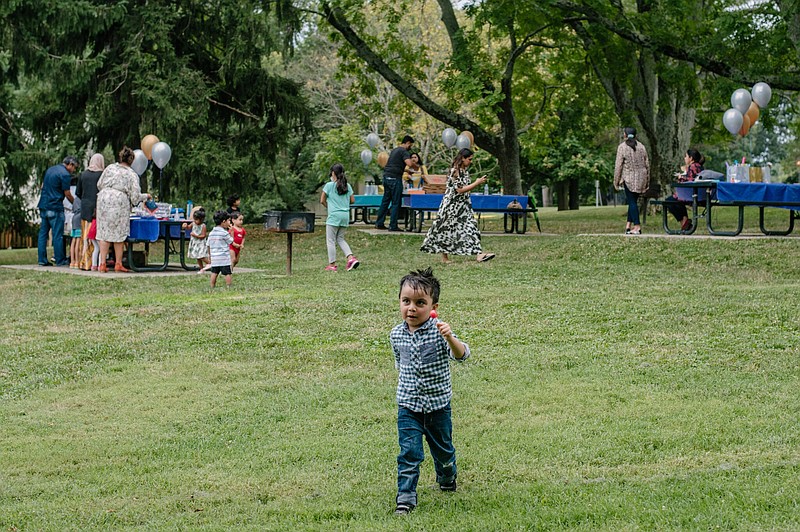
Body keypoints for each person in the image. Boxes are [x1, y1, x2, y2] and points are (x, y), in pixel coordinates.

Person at [391, 267, 469, 516]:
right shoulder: (395, 334)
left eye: (420, 303)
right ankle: (405, 498)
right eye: (406, 301)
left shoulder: (440, 331)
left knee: (443, 450)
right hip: (408, 407)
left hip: (437, 406)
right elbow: (399, 364)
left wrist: (450, 338)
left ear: (434, 306)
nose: (411, 308)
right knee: (409, 453)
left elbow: (462, 355)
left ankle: (447, 475)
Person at [420, 148, 496, 264]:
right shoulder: (455, 171)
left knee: (471, 228)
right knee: (444, 230)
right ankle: (444, 258)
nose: (471, 161)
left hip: (463, 206)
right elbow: (459, 190)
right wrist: (477, 183)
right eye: (469, 159)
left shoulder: (464, 171)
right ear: (463, 158)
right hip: (451, 206)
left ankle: (479, 255)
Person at [96, 146, 151, 273]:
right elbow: (135, 197)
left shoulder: (110, 168)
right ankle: (118, 263)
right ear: (132, 160)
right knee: (118, 234)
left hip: (104, 199)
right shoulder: (131, 174)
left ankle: (102, 264)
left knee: (104, 232)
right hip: (119, 201)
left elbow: (99, 184)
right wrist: (146, 196)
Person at [37, 156, 78, 266]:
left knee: (43, 234)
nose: (74, 170)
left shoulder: (50, 170)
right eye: (74, 167)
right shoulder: (65, 174)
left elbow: (42, 186)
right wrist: (76, 204)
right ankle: (60, 260)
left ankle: (42, 260)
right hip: (55, 207)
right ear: (70, 164)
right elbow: (67, 193)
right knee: (57, 235)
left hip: (44, 205)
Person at [320, 163, 359, 272]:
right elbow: (352, 200)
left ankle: (332, 265)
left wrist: (329, 206)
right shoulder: (348, 185)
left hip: (334, 216)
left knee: (331, 241)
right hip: (345, 215)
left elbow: (322, 200)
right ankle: (351, 258)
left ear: (333, 173)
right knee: (340, 239)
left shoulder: (329, 185)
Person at [375, 135, 418, 231]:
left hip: (386, 177)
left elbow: (394, 165)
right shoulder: (404, 151)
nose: (410, 147)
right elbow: (409, 164)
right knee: (396, 202)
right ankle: (393, 225)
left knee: (385, 201)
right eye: (410, 144)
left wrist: (406, 172)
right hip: (395, 179)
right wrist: (415, 164)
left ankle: (379, 223)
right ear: (407, 143)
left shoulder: (395, 150)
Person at [613, 127, 650, 235]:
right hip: (641, 178)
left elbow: (618, 166)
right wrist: (647, 180)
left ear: (625, 135)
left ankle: (637, 227)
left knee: (632, 202)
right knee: (632, 201)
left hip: (629, 178)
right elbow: (647, 164)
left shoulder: (622, 147)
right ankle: (628, 226)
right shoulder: (642, 147)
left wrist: (616, 181)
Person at [76, 154, 105, 270]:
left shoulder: (83, 175)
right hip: (98, 209)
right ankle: (96, 263)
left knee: (85, 236)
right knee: (96, 236)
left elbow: (78, 192)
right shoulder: (102, 175)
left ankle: (84, 262)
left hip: (85, 207)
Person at [666, 148, 705, 233]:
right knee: (677, 201)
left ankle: (684, 220)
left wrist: (680, 178)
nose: (684, 158)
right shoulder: (700, 167)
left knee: (669, 201)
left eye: (686, 156)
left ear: (691, 158)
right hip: (700, 195)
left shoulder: (693, 166)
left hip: (691, 195)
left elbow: (689, 181)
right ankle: (684, 222)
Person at [207, 210, 234, 288]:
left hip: (215, 258)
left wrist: (210, 255)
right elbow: (231, 241)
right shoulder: (224, 233)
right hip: (224, 258)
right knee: (227, 273)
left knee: (214, 273)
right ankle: (229, 286)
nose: (229, 222)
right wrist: (231, 232)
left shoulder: (211, 233)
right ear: (223, 221)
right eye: (229, 220)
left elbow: (208, 245)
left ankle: (212, 286)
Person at [68, 192, 82, 268]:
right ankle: (77, 261)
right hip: (79, 218)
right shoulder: (82, 198)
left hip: (74, 218)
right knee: (78, 240)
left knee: (73, 240)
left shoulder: (76, 198)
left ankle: (72, 261)